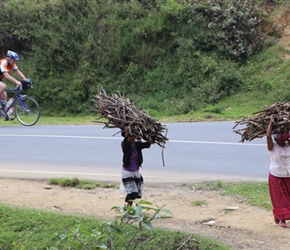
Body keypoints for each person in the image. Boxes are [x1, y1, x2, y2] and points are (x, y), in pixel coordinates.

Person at [267, 115, 290, 228]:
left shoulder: (288, 146)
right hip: (276, 175)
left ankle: (282, 216)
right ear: (276, 139)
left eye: (284, 140)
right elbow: (268, 136)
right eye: (280, 140)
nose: (282, 142)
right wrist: (271, 122)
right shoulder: (272, 148)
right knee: (279, 199)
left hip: (288, 175)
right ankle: (282, 220)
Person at [121, 126, 151, 206]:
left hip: (136, 171)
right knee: (132, 192)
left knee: (136, 192)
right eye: (130, 136)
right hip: (127, 172)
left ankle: (129, 208)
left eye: (133, 136)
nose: (132, 138)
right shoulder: (125, 145)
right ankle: (128, 208)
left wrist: (147, 135)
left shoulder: (137, 145)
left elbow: (148, 144)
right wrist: (126, 134)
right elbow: (125, 143)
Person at [0, 50, 27, 120]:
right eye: (13, 60)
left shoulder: (12, 64)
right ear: (9, 58)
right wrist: (16, 81)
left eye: (15, 60)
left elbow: (18, 71)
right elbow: (6, 75)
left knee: (4, 95)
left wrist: (25, 79)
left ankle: (5, 114)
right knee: (3, 86)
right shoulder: (3, 62)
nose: (14, 62)